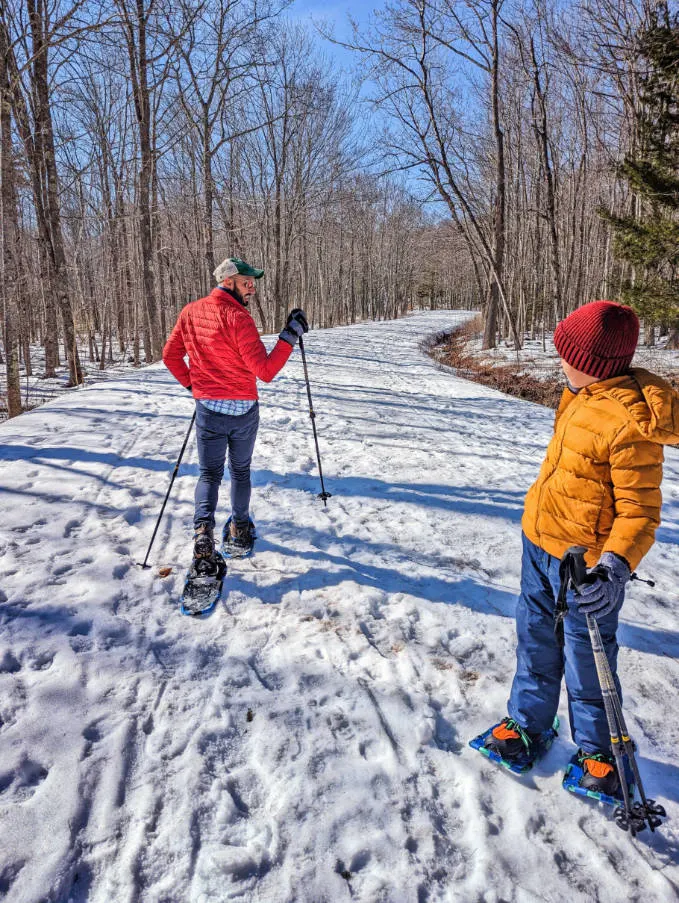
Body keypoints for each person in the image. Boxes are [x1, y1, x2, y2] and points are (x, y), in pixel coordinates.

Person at [483, 300, 679, 795]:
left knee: (587, 659)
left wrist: (614, 566)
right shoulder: (581, 393)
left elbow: (639, 510)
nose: (559, 363)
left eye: (566, 355)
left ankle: (598, 751)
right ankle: (528, 723)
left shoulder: (630, 427)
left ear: (591, 364)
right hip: (538, 543)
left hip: (586, 568)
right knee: (534, 640)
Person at [162, 256, 308, 571]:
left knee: (209, 474)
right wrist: (289, 336)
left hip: (209, 410)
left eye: (253, 282)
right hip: (242, 411)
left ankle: (203, 532)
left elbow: (170, 355)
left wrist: (193, 386)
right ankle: (239, 528)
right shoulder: (238, 318)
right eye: (246, 282)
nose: (252, 288)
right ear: (228, 282)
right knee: (240, 472)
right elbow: (266, 371)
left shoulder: (190, 312)